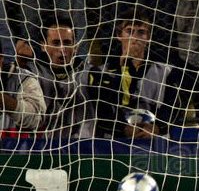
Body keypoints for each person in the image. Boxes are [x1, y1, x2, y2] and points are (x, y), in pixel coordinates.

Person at [85, 7, 184, 139]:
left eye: (141, 32)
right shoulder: (100, 73)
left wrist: (158, 127)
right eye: (129, 31)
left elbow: (175, 107)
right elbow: (101, 110)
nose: (135, 38)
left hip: (155, 142)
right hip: (114, 143)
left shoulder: (168, 72)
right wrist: (123, 128)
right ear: (119, 36)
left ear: (148, 37)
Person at [31, 13, 91, 141]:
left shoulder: (91, 74)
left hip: (82, 149)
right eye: (56, 43)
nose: (62, 49)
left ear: (76, 47)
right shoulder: (30, 72)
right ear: (43, 45)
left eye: (67, 42)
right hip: (39, 148)